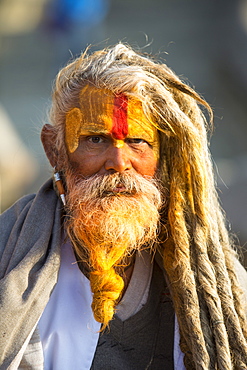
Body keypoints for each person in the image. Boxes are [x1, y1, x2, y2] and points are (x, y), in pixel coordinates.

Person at [1, 43, 247, 370]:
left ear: (165, 158)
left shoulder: (221, 283)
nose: (118, 162)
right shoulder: (8, 251)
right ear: (54, 150)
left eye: (137, 141)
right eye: (96, 139)